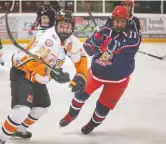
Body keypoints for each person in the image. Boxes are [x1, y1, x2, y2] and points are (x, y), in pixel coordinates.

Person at [0, 10, 87, 144]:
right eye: (61, 26)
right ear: (56, 25)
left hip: (39, 79)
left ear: (72, 27)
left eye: (67, 26)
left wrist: (81, 75)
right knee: (22, 110)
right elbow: (29, 61)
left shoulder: (71, 41)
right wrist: (50, 72)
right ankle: (1, 138)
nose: (64, 29)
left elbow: (81, 58)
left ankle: (19, 130)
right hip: (23, 74)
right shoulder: (48, 39)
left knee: (42, 107)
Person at [59, 6, 141, 134]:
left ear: (126, 21)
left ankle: (91, 125)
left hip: (119, 79)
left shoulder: (131, 34)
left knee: (103, 108)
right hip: (97, 72)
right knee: (80, 94)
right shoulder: (103, 31)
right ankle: (71, 115)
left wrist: (113, 44)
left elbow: (132, 45)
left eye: (122, 21)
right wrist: (97, 46)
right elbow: (87, 47)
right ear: (112, 20)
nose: (120, 24)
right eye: (117, 21)